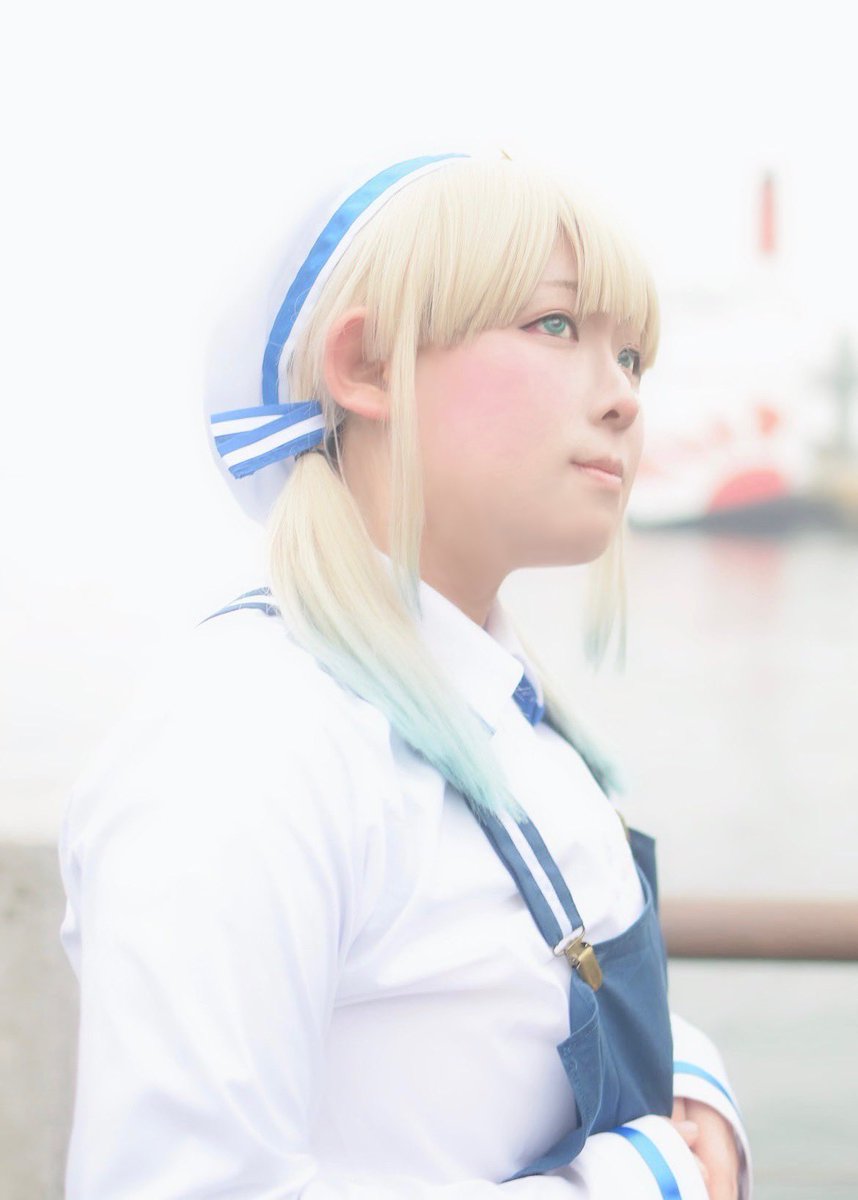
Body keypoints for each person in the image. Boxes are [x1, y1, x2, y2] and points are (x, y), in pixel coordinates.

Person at [59, 150, 752, 1198]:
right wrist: (640, 1181)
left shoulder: (502, 704)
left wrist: (691, 1084)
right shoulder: (247, 739)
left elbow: (523, 992)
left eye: (631, 356)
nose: (622, 397)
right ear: (369, 365)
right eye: (556, 324)